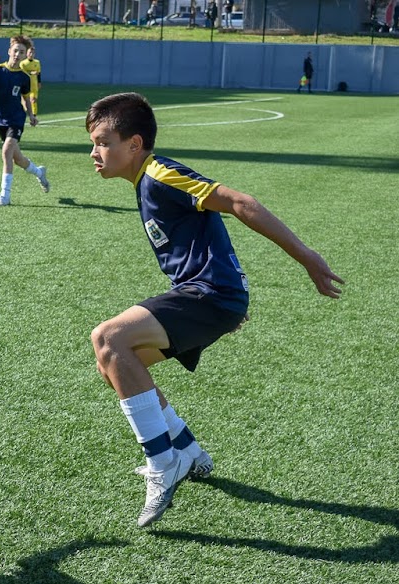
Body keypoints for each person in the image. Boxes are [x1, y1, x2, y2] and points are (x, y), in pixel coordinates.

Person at [84, 92, 343, 528]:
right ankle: (185, 450)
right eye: (92, 143)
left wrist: (306, 257)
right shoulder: (144, 182)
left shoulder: (161, 173)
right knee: (113, 364)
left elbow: (242, 202)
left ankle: (163, 462)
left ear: (135, 144)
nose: (94, 152)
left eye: (103, 141)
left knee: (109, 338)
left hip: (211, 294)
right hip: (207, 297)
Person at [0, 35, 50, 207]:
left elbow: (26, 98)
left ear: (25, 55)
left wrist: (31, 115)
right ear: (9, 51)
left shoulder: (24, 77)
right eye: (15, 51)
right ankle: (39, 173)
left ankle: (5, 196)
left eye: (21, 52)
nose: (17, 54)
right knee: (18, 159)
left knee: (6, 150)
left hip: (16, 118)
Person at [19, 41, 42, 116]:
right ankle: (25, 112)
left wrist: (39, 82)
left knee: (33, 100)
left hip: (34, 85)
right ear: (26, 53)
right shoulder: (23, 63)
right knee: (25, 101)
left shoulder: (37, 62)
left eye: (33, 53)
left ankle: (34, 115)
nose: (31, 54)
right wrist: (31, 73)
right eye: (30, 53)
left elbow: (39, 73)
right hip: (25, 85)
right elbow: (22, 74)